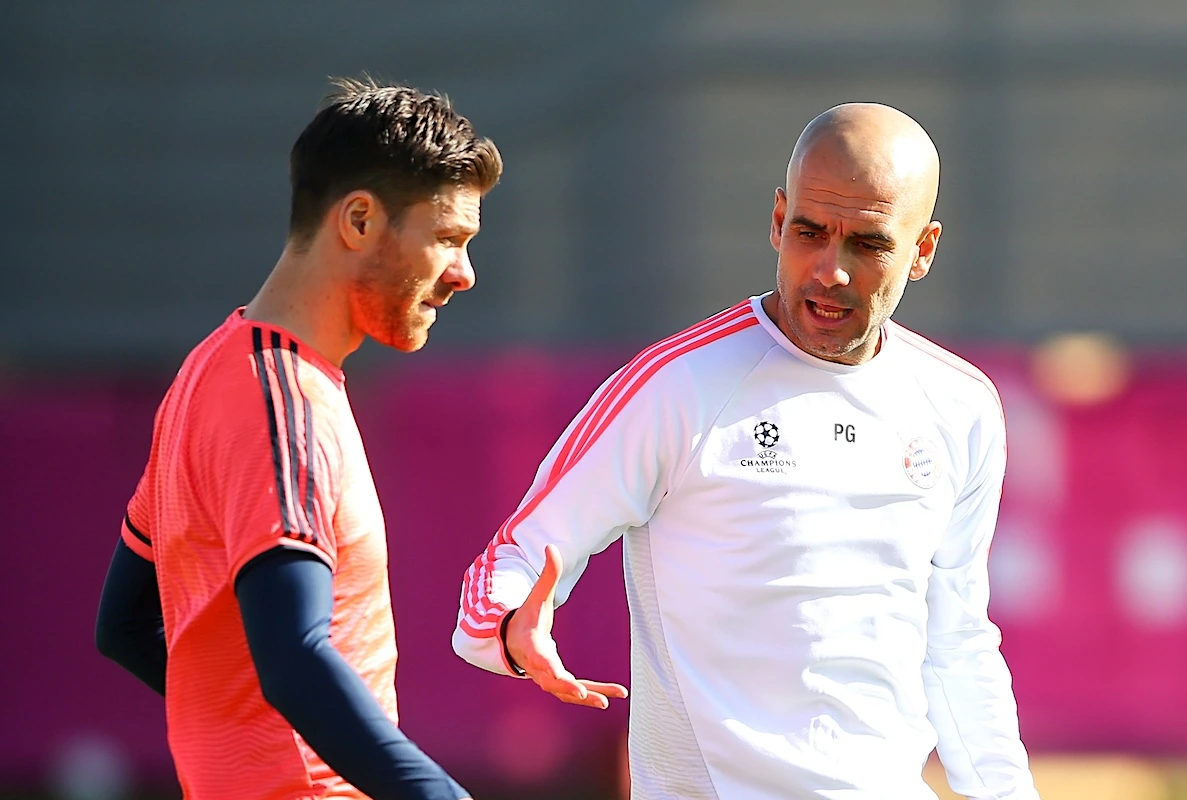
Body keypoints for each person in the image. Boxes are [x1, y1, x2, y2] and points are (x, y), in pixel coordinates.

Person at [453, 103, 1040, 799]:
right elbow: (515, 556)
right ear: (777, 220)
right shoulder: (675, 384)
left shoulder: (961, 405)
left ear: (923, 250)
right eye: (810, 232)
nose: (831, 271)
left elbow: (958, 640)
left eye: (869, 244)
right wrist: (511, 625)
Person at [95, 77, 501, 800]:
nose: (464, 274)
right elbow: (294, 657)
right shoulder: (284, 401)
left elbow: (125, 626)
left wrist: (241, 735)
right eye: (447, 238)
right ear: (359, 220)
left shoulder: (209, 372)